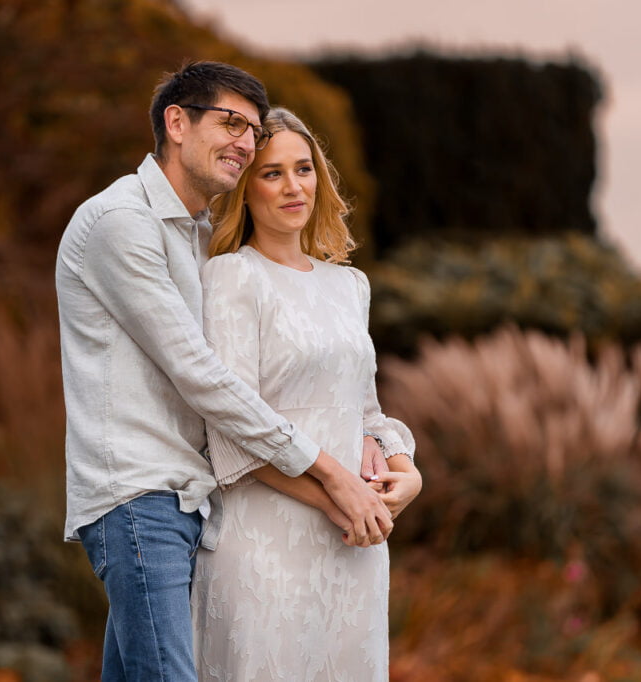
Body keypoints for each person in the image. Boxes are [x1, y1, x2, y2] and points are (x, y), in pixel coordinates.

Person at [55, 62, 396, 681]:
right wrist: (329, 473)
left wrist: (383, 453)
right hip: (139, 495)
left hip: (193, 500)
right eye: (231, 122)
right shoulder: (120, 224)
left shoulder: (199, 233)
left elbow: (352, 398)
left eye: (252, 127)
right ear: (176, 123)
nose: (244, 139)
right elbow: (200, 374)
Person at [191, 107, 423, 681]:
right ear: (244, 190)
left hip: (356, 543)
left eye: (304, 168)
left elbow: (366, 412)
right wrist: (334, 499)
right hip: (269, 542)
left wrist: (406, 470)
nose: (293, 187)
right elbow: (232, 431)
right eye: (272, 174)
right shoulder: (232, 277)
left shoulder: (349, 285)